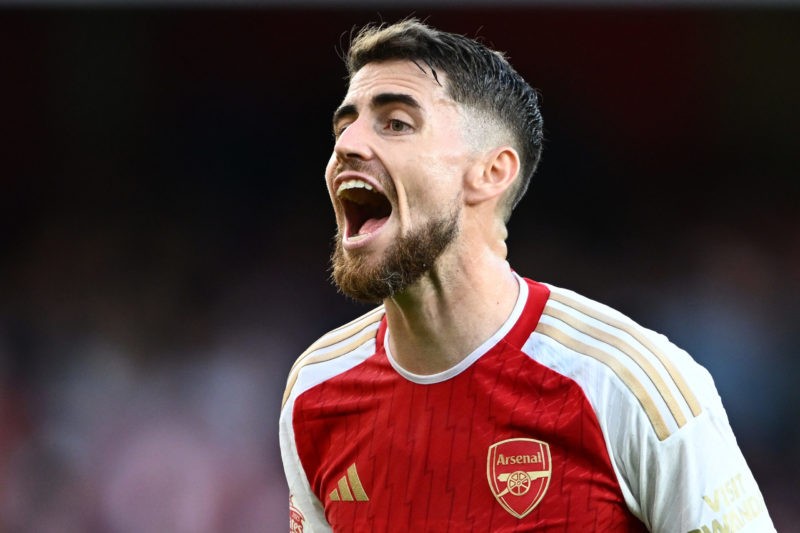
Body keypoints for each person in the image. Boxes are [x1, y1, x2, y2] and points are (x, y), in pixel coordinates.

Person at [279, 19, 775, 532]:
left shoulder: (627, 383)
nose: (347, 147)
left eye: (396, 123)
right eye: (344, 127)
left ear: (491, 173)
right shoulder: (315, 391)